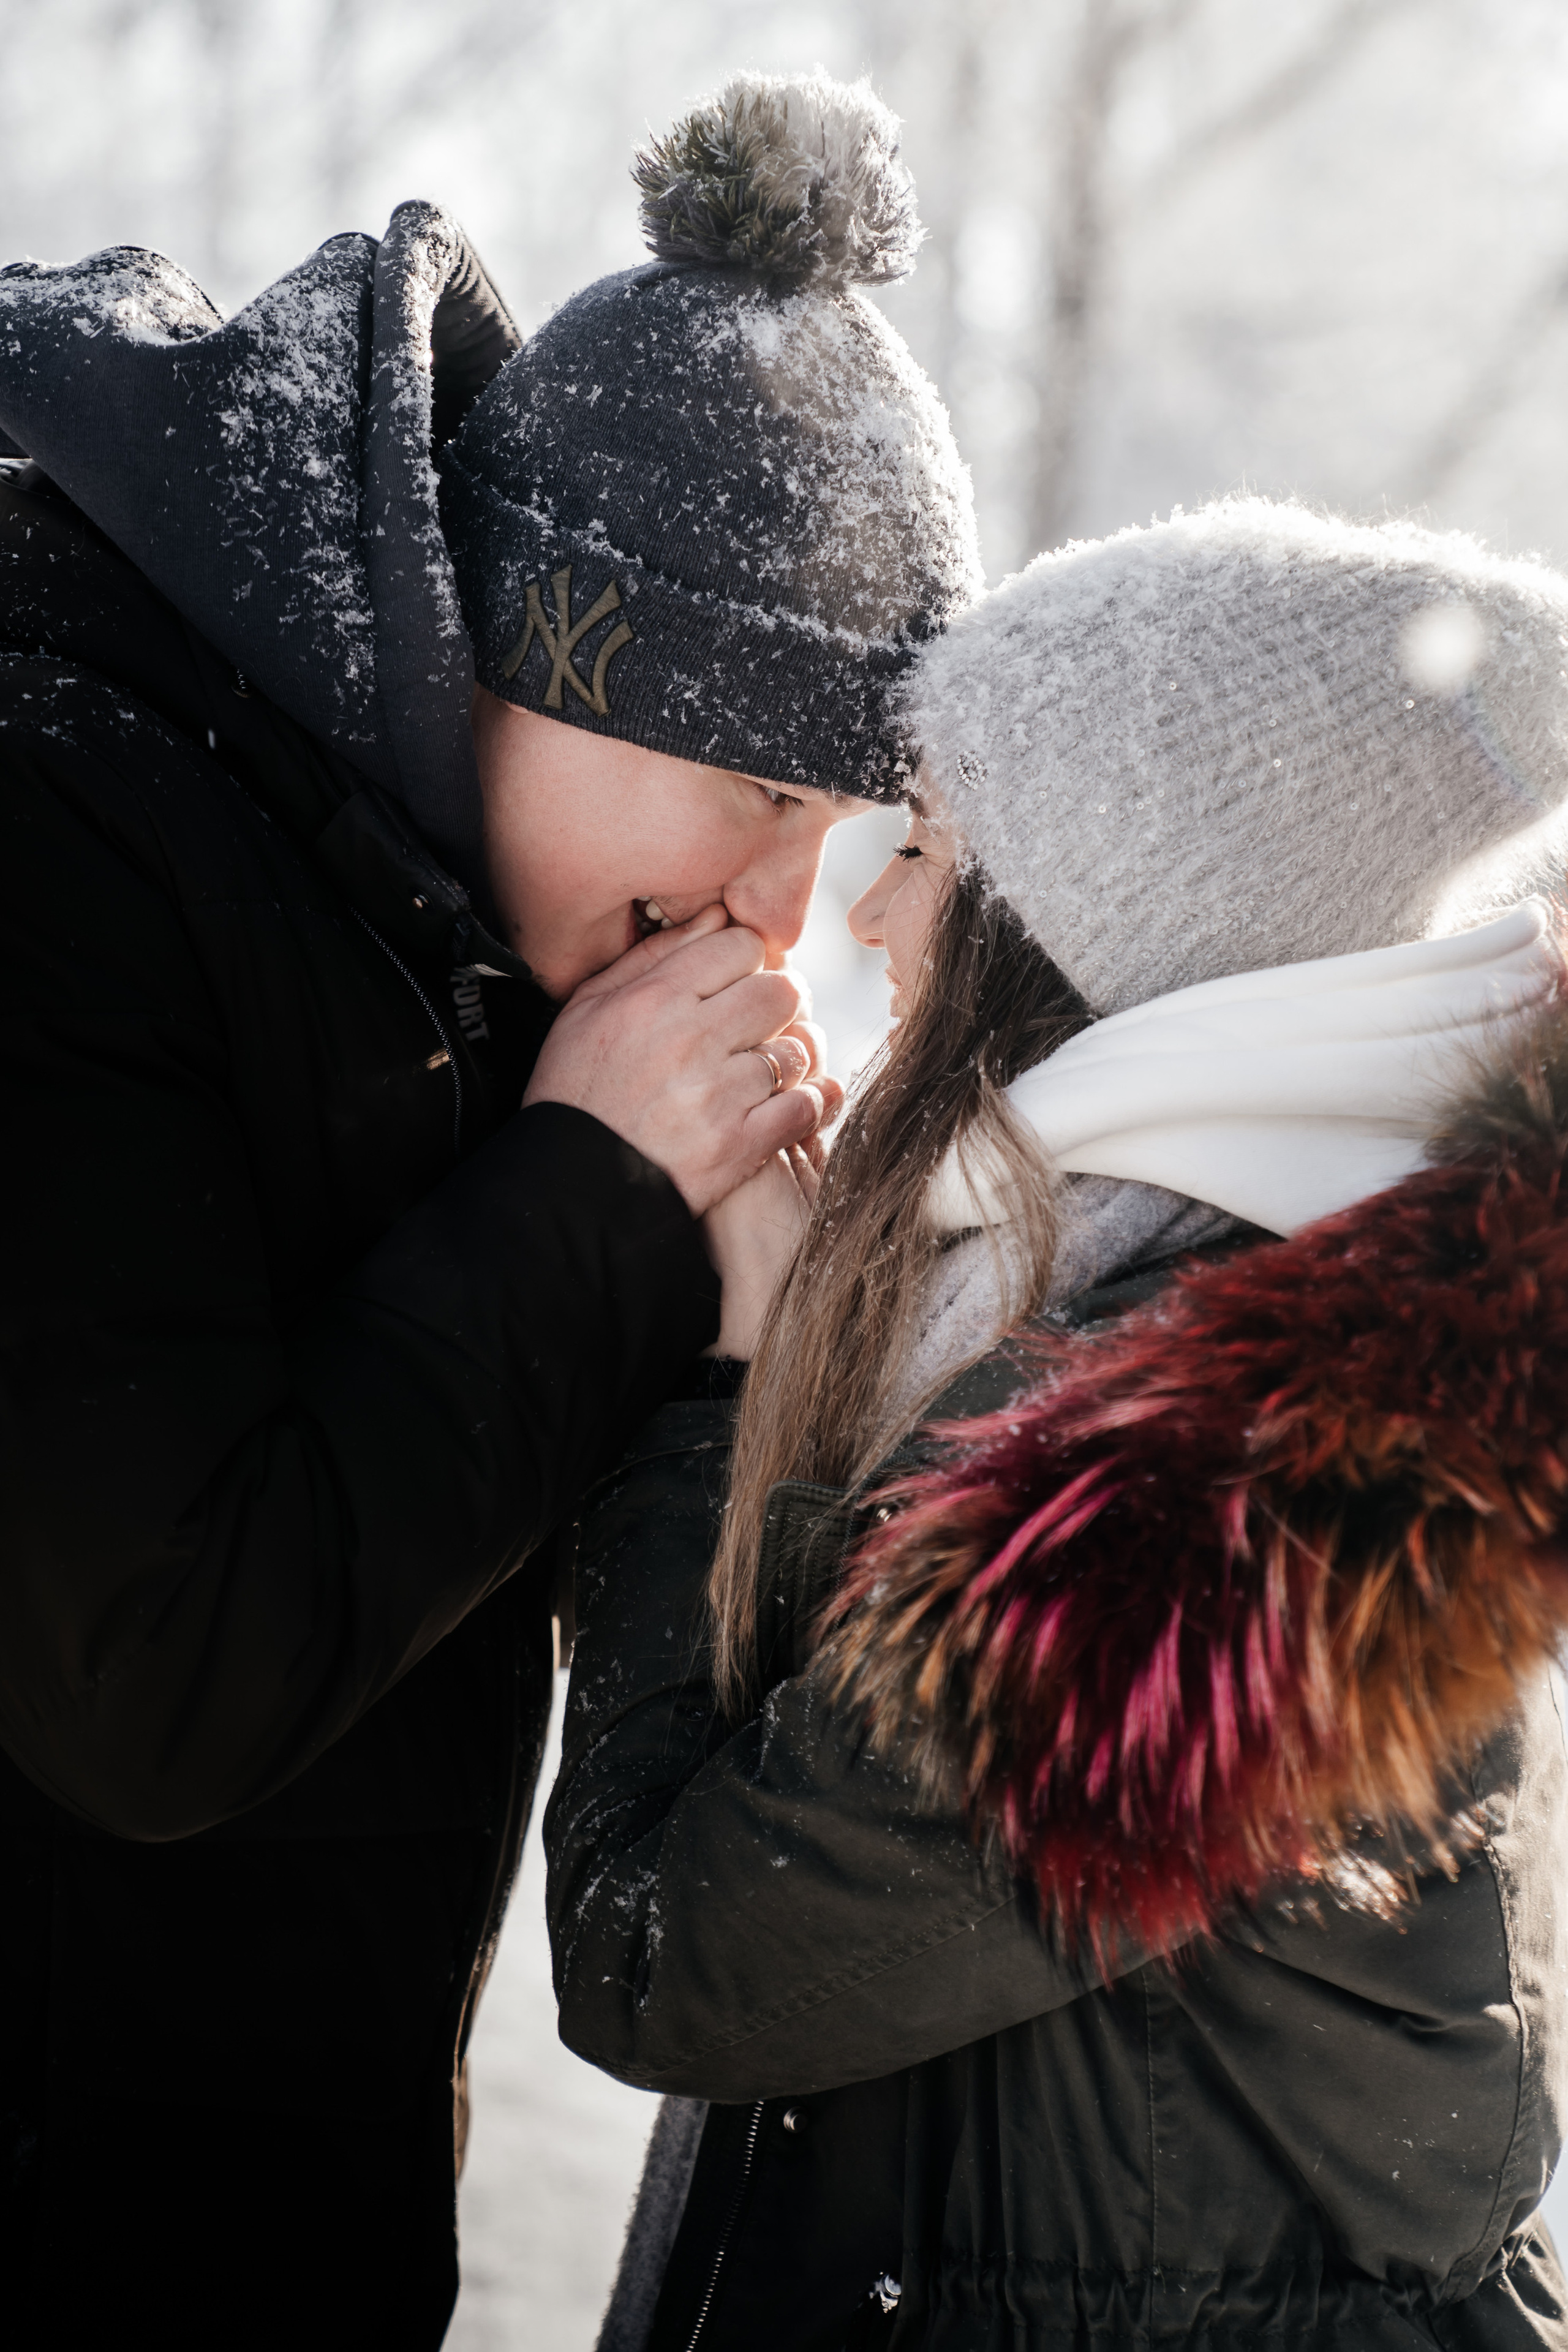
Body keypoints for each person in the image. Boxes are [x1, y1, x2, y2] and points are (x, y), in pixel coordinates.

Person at [0, 71, 979, 2350]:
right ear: (530, 639)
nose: (768, 897)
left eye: (826, 824)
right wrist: (591, 1189)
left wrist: (744, 1315)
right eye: (750, 787)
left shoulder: (419, 899)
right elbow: (150, 1676)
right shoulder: (61, 828)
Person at [546, 498, 1568, 2352]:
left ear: (1108, 919)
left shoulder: (1237, 1478)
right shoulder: (1185, 1318)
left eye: (927, 843)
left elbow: (672, 1959)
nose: (864, 907)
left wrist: (714, 1391)